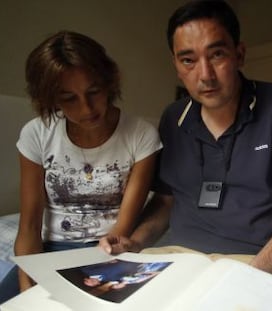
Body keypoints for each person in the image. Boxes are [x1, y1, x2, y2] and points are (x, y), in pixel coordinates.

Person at [100, 0, 272, 286]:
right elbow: (166, 202)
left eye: (216, 54)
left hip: (264, 262)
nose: (205, 75)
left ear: (239, 54)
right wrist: (133, 242)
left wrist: (245, 278)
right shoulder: (173, 118)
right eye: (188, 60)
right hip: (181, 258)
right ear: (176, 65)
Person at [0, 30, 162, 303]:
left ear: (110, 81)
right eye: (69, 98)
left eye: (94, 92)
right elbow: (28, 227)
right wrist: (28, 287)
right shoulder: (37, 134)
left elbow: (121, 230)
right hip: (49, 249)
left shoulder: (142, 136)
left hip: (107, 249)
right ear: (51, 99)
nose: (86, 108)